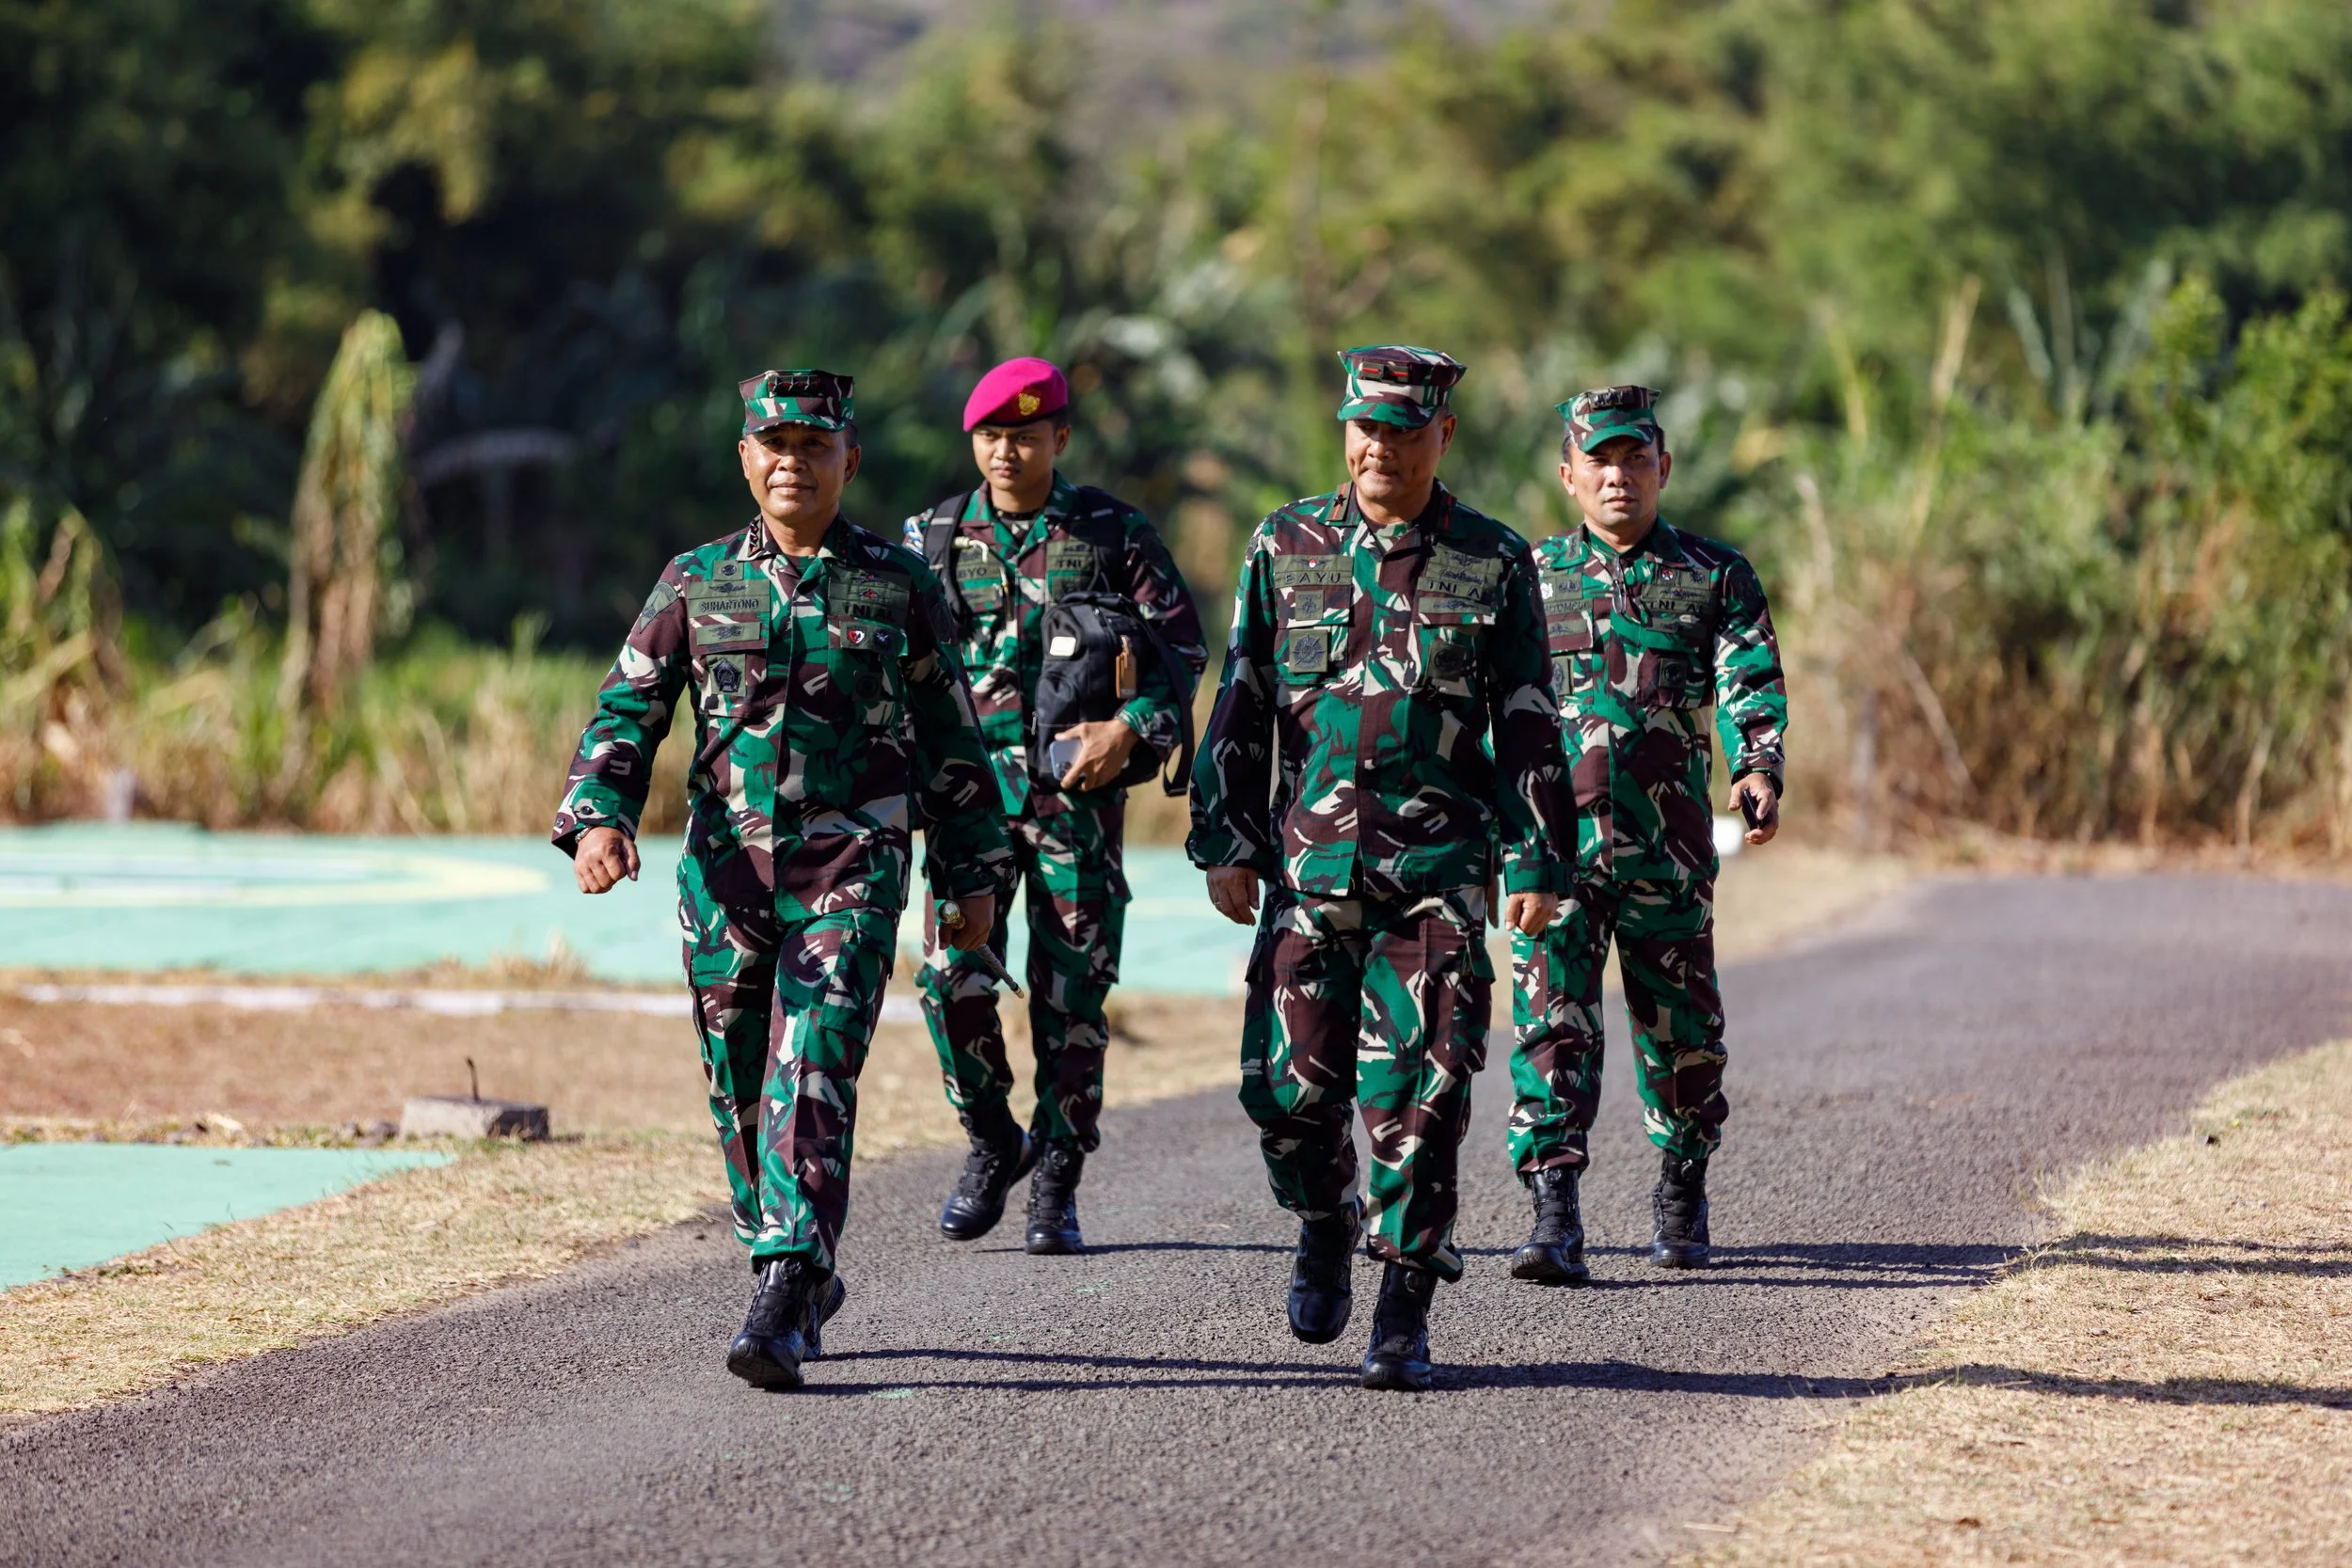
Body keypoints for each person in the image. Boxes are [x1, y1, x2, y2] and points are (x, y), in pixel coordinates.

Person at [554, 369, 1011, 1390]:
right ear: (746, 460)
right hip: (726, 877)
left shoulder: (897, 584)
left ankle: (781, 1283)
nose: (793, 463)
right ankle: (791, 1255)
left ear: (848, 460)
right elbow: (629, 708)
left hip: (851, 863)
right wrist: (599, 818)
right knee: (737, 1078)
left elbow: (952, 738)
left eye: (815, 446)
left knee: (810, 1064)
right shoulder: (696, 578)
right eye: (776, 445)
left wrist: (970, 868)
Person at [1188, 345, 1573, 1391]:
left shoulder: (1491, 560)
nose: (1379, 446)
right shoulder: (1286, 543)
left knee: (1425, 1093)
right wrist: (1222, 837)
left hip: (1437, 870)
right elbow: (1244, 698)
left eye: (1402, 429)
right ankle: (1322, 1212)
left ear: (1441, 435)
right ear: (1343, 429)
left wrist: (1540, 851)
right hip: (1309, 871)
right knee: (1283, 1094)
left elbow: (1528, 718)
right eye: (1365, 425)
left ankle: (1403, 1302)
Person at [903, 357, 1207, 1257]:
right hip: (970, 810)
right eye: (992, 436)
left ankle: (1060, 1180)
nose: (1007, 450)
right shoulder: (931, 539)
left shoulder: (1113, 533)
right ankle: (995, 1138)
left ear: (1059, 439)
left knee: (1071, 998)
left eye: (1026, 435)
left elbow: (1182, 657)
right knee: (947, 979)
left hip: (1077, 807)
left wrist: (1134, 731)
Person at [1505, 385, 1788, 1283]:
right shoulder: (1530, 576)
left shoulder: (1714, 574)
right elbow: (1495, 706)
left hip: (1667, 851)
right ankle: (1555, 1212)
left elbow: (1747, 678)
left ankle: (1682, 1184)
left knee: (1682, 1034)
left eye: (1634, 458)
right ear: (1567, 476)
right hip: (1554, 853)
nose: (1617, 476)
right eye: (1599, 460)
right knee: (1552, 1027)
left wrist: (1758, 767)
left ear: (1663, 466)